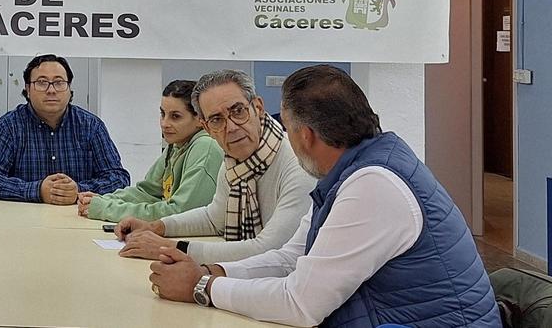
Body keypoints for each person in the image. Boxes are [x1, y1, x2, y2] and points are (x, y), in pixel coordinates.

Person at [147, 65, 501, 327]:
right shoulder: (354, 171)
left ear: (305, 136)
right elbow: (291, 257)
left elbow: (300, 303)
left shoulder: (373, 186)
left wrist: (203, 287)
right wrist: (213, 270)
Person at [115, 69, 313, 263]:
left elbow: (270, 249)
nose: (232, 127)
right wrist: (156, 227)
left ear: (258, 108)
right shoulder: (233, 161)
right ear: (207, 127)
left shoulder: (299, 163)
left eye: (238, 111)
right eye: (217, 119)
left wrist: (169, 248)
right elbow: (214, 218)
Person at [0, 54, 130, 203]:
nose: (51, 90)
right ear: (27, 89)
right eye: (42, 82)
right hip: (23, 219)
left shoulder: (91, 126)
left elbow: (118, 178)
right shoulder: (9, 126)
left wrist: (78, 190)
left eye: (59, 82)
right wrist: (36, 190)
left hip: (77, 217)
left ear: (69, 89)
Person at [78, 79, 223, 223]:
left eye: (175, 117)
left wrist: (106, 209)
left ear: (200, 119)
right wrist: (103, 200)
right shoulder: (177, 144)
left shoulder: (206, 147)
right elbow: (147, 192)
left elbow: (179, 213)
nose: (165, 124)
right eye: (162, 114)